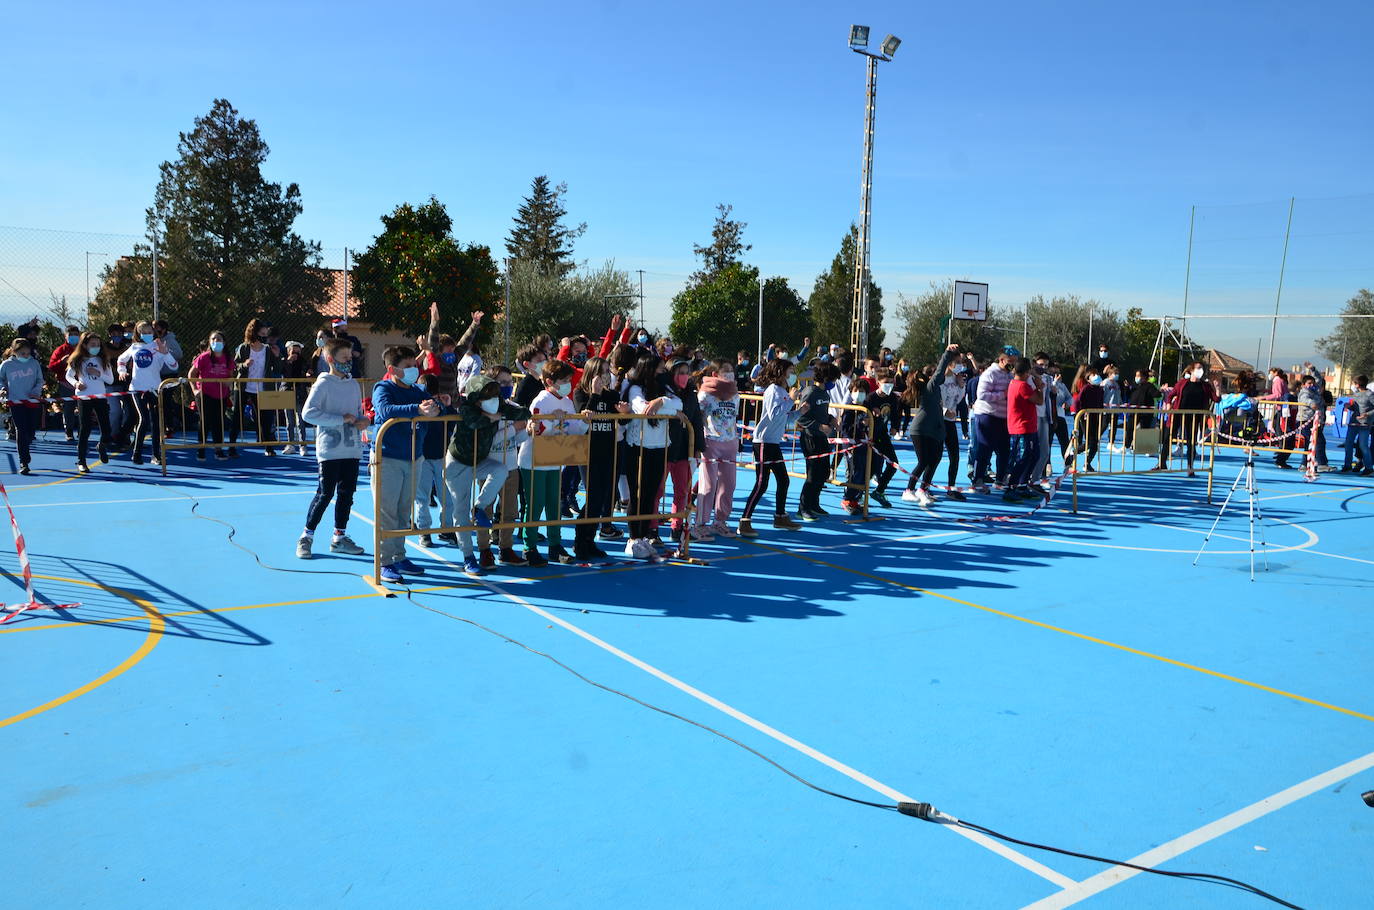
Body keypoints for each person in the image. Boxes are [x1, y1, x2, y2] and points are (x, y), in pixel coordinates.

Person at [445, 374, 528, 576]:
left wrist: (503, 415)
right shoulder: (466, 408)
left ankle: (480, 507)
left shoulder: (498, 406)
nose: (491, 400)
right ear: (475, 398)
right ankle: (468, 556)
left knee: (500, 470)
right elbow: (474, 422)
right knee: (460, 512)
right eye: (485, 396)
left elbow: (525, 413)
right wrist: (492, 417)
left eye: (494, 395)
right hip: (458, 463)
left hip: (479, 461)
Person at [371, 345, 441, 583]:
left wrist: (436, 408)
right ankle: (384, 561)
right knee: (386, 511)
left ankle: (399, 556)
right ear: (393, 369)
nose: (414, 369)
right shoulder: (383, 388)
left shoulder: (420, 389)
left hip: (414, 458)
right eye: (408, 366)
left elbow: (433, 408)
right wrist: (416, 409)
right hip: (387, 458)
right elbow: (384, 410)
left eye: (415, 365)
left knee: (403, 510)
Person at [297, 337, 367, 560]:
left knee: (347, 494)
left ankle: (339, 537)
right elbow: (308, 413)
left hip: (352, 448)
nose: (349, 362)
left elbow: (357, 412)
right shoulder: (323, 384)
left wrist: (363, 420)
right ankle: (306, 537)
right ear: (330, 359)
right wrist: (339, 419)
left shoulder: (354, 384)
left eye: (350, 357)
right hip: (329, 450)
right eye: (344, 358)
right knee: (325, 494)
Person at [521, 360, 586, 565]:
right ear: (550, 381)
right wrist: (554, 422)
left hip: (555, 458)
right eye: (564, 380)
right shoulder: (541, 401)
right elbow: (536, 430)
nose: (568, 383)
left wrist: (585, 420)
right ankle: (529, 547)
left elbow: (575, 431)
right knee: (536, 504)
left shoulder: (567, 402)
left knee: (553, 504)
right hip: (534, 459)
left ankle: (555, 545)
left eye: (569, 380)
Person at [474, 365, 531, 567]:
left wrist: (526, 429)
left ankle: (505, 549)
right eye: (502, 383)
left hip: (511, 467)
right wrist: (512, 429)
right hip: (488, 468)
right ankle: (484, 550)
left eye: (509, 382)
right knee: (485, 510)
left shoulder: (514, 409)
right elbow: (487, 440)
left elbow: (520, 438)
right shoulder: (484, 411)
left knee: (509, 511)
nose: (507, 386)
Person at [737, 359, 802, 535]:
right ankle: (744, 521)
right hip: (764, 441)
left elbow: (785, 417)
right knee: (761, 483)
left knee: (783, 479)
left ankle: (780, 516)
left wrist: (799, 412)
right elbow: (774, 414)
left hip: (773, 442)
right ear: (780, 372)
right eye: (790, 371)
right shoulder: (773, 390)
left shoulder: (782, 391)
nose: (793, 375)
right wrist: (791, 399)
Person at [622, 354, 677, 558]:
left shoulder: (665, 390)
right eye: (660, 369)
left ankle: (644, 536)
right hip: (639, 447)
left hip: (659, 447)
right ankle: (633, 538)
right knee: (638, 494)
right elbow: (643, 408)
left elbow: (678, 404)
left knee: (651, 493)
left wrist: (661, 401)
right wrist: (657, 405)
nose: (664, 373)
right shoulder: (635, 389)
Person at [572, 357, 620, 559]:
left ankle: (590, 541)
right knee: (592, 497)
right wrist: (594, 394)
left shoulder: (610, 395)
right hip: (588, 450)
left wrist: (623, 411)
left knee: (602, 498)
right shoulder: (580, 393)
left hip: (608, 449)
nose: (605, 376)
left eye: (607, 371)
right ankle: (580, 541)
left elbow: (618, 410)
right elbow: (585, 413)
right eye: (601, 372)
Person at [903, 344, 960, 506]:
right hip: (920, 430)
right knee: (924, 461)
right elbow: (941, 369)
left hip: (932, 430)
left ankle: (923, 490)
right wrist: (948, 352)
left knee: (934, 460)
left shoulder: (934, 390)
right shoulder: (931, 387)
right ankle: (908, 490)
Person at [116, 321, 177, 466]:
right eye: (143, 331)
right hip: (137, 388)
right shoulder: (134, 347)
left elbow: (174, 366)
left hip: (155, 389)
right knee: (143, 419)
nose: (147, 334)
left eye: (150, 331)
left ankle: (156, 455)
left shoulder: (158, 346)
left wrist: (166, 353)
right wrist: (122, 371)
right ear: (138, 333)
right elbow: (121, 360)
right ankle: (136, 454)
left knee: (155, 422)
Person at [697, 358, 741, 533]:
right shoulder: (705, 394)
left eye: (732, 371)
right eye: (726, 371)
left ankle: (720, 521)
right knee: (708, 485)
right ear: (715, 375)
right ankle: (701, 523)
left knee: (728, 484)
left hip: (730, 443)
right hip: (711, 443)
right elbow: (697, 415)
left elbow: (733, 417)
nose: (731, 374)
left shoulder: (735, 395)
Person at [414, 374, 457, 548]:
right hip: (422, 457)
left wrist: (448, 406)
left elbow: (454, 422)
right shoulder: (417, 409)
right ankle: (424, 531)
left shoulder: (442, 408)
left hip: (441, 456)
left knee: (447, 496)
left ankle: (446, 528)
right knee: (422, 497)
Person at [663, 359, 704, 542]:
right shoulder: (661, 391)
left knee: (682, 490)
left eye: (686, 372)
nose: (684, 376)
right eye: (680, 372)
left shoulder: (691, 395)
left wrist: (697, 447)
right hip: (662, 447)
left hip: (684, 448)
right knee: (657, 490)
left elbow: (696, 421)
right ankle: (651, 530)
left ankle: (677, 528)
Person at [65, 331, 113, 473]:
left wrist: (98, 374)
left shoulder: (102, 360)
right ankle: (81, 461)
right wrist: (76, 384)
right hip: (84, 397)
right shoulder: (78, 360)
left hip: (100, 397)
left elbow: (110, 380)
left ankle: (102, 446)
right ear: (85, 345)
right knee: (85, 429)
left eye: (98, 345)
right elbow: (68, 376)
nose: (96, 347)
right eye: (92, 344)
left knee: (107, 429)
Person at [796, 360, 837, 520]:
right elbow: (801, 418)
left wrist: (831, 419)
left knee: (824, 472)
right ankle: (803, 508)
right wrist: (820, 426)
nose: (834, 383)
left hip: (822, 439)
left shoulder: (825, 394)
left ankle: (814, 504)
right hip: (810, 438)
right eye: (833, 380)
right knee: (812, 474)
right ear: (826, 378)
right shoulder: (810, 392)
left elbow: (822, 414)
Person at [235, 318, 282, 455]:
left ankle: (268, 447)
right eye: (262, 330)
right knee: (237, 417)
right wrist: (244, 365)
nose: (265, 332)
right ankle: (232, 447)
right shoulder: (244, 347)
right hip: (244, 387)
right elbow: (235, 365)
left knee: (265, 418)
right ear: (255, 331)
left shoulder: (268, 349)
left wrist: (278, 356)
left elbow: (278, 368)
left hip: (262, 388)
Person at [970, 348, 1015, 492]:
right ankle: (977, 480)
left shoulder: (1009, 375)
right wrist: (1003, 394)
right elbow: (982, 394)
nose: (1012, 364)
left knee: (1004, 450)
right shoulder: (990, 373)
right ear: (1002, 360)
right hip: (987, 415)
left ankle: (1000, 480)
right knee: (984, 448)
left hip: (1003, 417)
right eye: (1010, 361)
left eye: (1014, 361)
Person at [188, 331, 237, 459]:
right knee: (205, 421)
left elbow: (231, 376)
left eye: (219, 339)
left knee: (219, 421)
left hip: (221, 394)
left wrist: (229, 382)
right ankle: (201, 449)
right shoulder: (204, 357)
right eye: (213, 339)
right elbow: (191, 374)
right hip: (204, 393)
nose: (216, 341)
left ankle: (218, 449)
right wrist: (195, 390)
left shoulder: (228, 359)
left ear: (224, 342)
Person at [0, 338, 45, 474]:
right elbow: (0, 379)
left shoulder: (34, 363)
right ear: (14, 352)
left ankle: (27, 447)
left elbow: (40, 380)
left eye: (27, 353)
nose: (26, 356)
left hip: (32, 400)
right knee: (21, 429)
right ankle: (23, 461)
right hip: (16, 401)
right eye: (22, 353)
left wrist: (35, 392)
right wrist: (2, 389)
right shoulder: (7, 365)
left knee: (30, 431)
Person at [1167, 361, 1218, 477]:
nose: (1200, 370)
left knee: (1191, 442)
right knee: (1168, 437)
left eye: (1202, 368)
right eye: (1198, 368)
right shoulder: (1182, 383)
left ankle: (1190, 467)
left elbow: (1216, 399)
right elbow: (1170, 395)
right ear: (1191, 370)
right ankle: (1161, 463)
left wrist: (1217, 388)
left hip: (1195, 417)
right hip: (1178, 414)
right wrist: (1168, 404)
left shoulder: (1205, 386)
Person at [424, 302, 485, 400]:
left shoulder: (454, 359)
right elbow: (433, 344)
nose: (452, 353)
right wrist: (434, 321)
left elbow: (464, 343)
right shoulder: (435, 360)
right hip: (438, 400)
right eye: (448, 350)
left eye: (452, 350)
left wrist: (474, 325)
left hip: (453, 400)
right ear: (439, 351)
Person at [1005, 358, 1045, 502]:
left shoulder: (1015, 384)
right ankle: (1010, 487)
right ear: (1027, 372)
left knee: (1034, 455)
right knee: (1022, 458)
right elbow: (1039, 400)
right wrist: (1039, 387)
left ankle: (1022, 485)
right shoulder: (1021, 386)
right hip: (1021, 428)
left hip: (1028, 426)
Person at [862, 370, 900, 507]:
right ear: (878, 383)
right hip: (870, 436)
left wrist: (895, 427)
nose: (889, 385)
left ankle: (879, 490)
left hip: (883, 434)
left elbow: (895, 414)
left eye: (891, 382)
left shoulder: (892, 398)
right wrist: (870, 415)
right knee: (871, 469)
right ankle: (858, 493)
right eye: (886, 383)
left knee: (893, 463)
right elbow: (862, 417)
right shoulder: (871, 398)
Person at [49, 324, 83, 443]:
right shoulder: (60, 350)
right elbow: (51, 367)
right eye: (71, 335)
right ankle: (69, 432)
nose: (73, 337)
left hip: (82, 383)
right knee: (68, 408)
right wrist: (61, 362)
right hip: (66, 383)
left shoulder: (83, 348)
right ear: (65, 336)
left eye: (76, 334)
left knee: (83, 408)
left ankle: (81, 431)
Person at [1070, 365, 1105, 472]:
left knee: (1095, 442)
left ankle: (1087, 463)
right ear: (1088, 378)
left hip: (1096, 417)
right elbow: (1078, 402)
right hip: (1086, 417)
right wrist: (1081, 413)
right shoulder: (1086, 388)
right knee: (1090, 441)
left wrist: (1102, 412)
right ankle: (1073, 452)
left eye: (1097, 374)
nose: (1096, 377)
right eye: (1093, 375)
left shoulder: (1100, 389)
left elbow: (1100, 403)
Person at [1256, 367, 1293, 468]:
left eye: (1271, 373)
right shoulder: (1280, 381)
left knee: (1282, 431)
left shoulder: (1277, 380)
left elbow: (1278, 394)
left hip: (1283, 409)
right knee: (1279, 430)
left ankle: (1281, 454)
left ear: (1275, 373)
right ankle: (1281, 454)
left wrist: (1263, 397)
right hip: (1282, 409)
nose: (1270, 374)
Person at [280, 340, 311, 455]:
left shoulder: (304, 362)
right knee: (289, 421)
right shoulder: (283, 361)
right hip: (287, 391)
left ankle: (303, 445)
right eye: (293, 351)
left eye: (298, 351)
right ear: (288, 351)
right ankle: (290, 444)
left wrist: (308, 374)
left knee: (300, 420)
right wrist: (288, 362)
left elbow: (307, 374)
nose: (296, 354)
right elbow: (281, 371)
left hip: (300, 392)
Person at [1340, 375, 1373, 475]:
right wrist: (1348, 407)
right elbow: (1354, 407)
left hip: (1364, 425)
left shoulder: (1370, 394)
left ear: (1358, 384)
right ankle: (1347, 465)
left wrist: (1367, 414)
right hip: (1353, 423)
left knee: (1363, 446)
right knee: (1348, 444)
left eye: (1354, 383)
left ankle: (1368, 467)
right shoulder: (1356, 394)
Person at [1294, 372, 1328, 472]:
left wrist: (1313, 369)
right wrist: (1312, 404)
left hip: (1315, 420)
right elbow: (1305, 399)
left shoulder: (1316, 391)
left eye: (1312, 383)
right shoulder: (1304, 392)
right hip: (1305, 420)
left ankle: (1304, 464)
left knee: (1310, 443)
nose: (1311, 385)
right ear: (1304, 384)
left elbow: (1319, 379)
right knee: (1317, 441)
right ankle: (1321, 463)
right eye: (1309, 383)